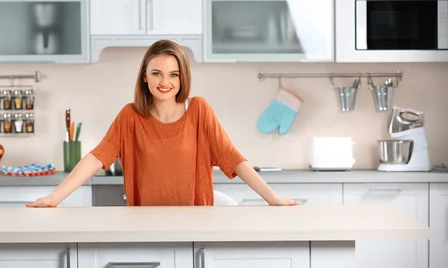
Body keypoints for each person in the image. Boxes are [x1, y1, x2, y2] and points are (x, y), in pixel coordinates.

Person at [26, 40, 299, 208]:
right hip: (144, 227)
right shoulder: (130, 116)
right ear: (145, 76)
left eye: (173, 74)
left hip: (194, 227)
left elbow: (233, 158)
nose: (164, 82)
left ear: (182, 79)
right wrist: (55, 198)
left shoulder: (200, 110)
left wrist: (272, 198)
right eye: (156, 73)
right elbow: (97, 157)